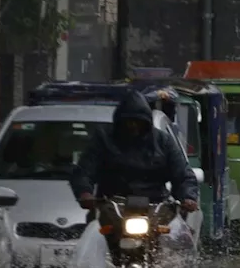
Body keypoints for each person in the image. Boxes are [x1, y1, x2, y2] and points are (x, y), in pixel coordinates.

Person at [69, 90, 199, 214]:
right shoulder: (104, 139)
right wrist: (85, 193)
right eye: (128, 122)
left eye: (138, 122)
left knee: (176, 233)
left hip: (156, 208)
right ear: (120, 122)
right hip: (110, 208)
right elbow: (84, 170)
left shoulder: (163, 141)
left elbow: (183, 174)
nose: (133, 126)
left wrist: (188, 197)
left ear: (146, 122)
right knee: (94, 233)